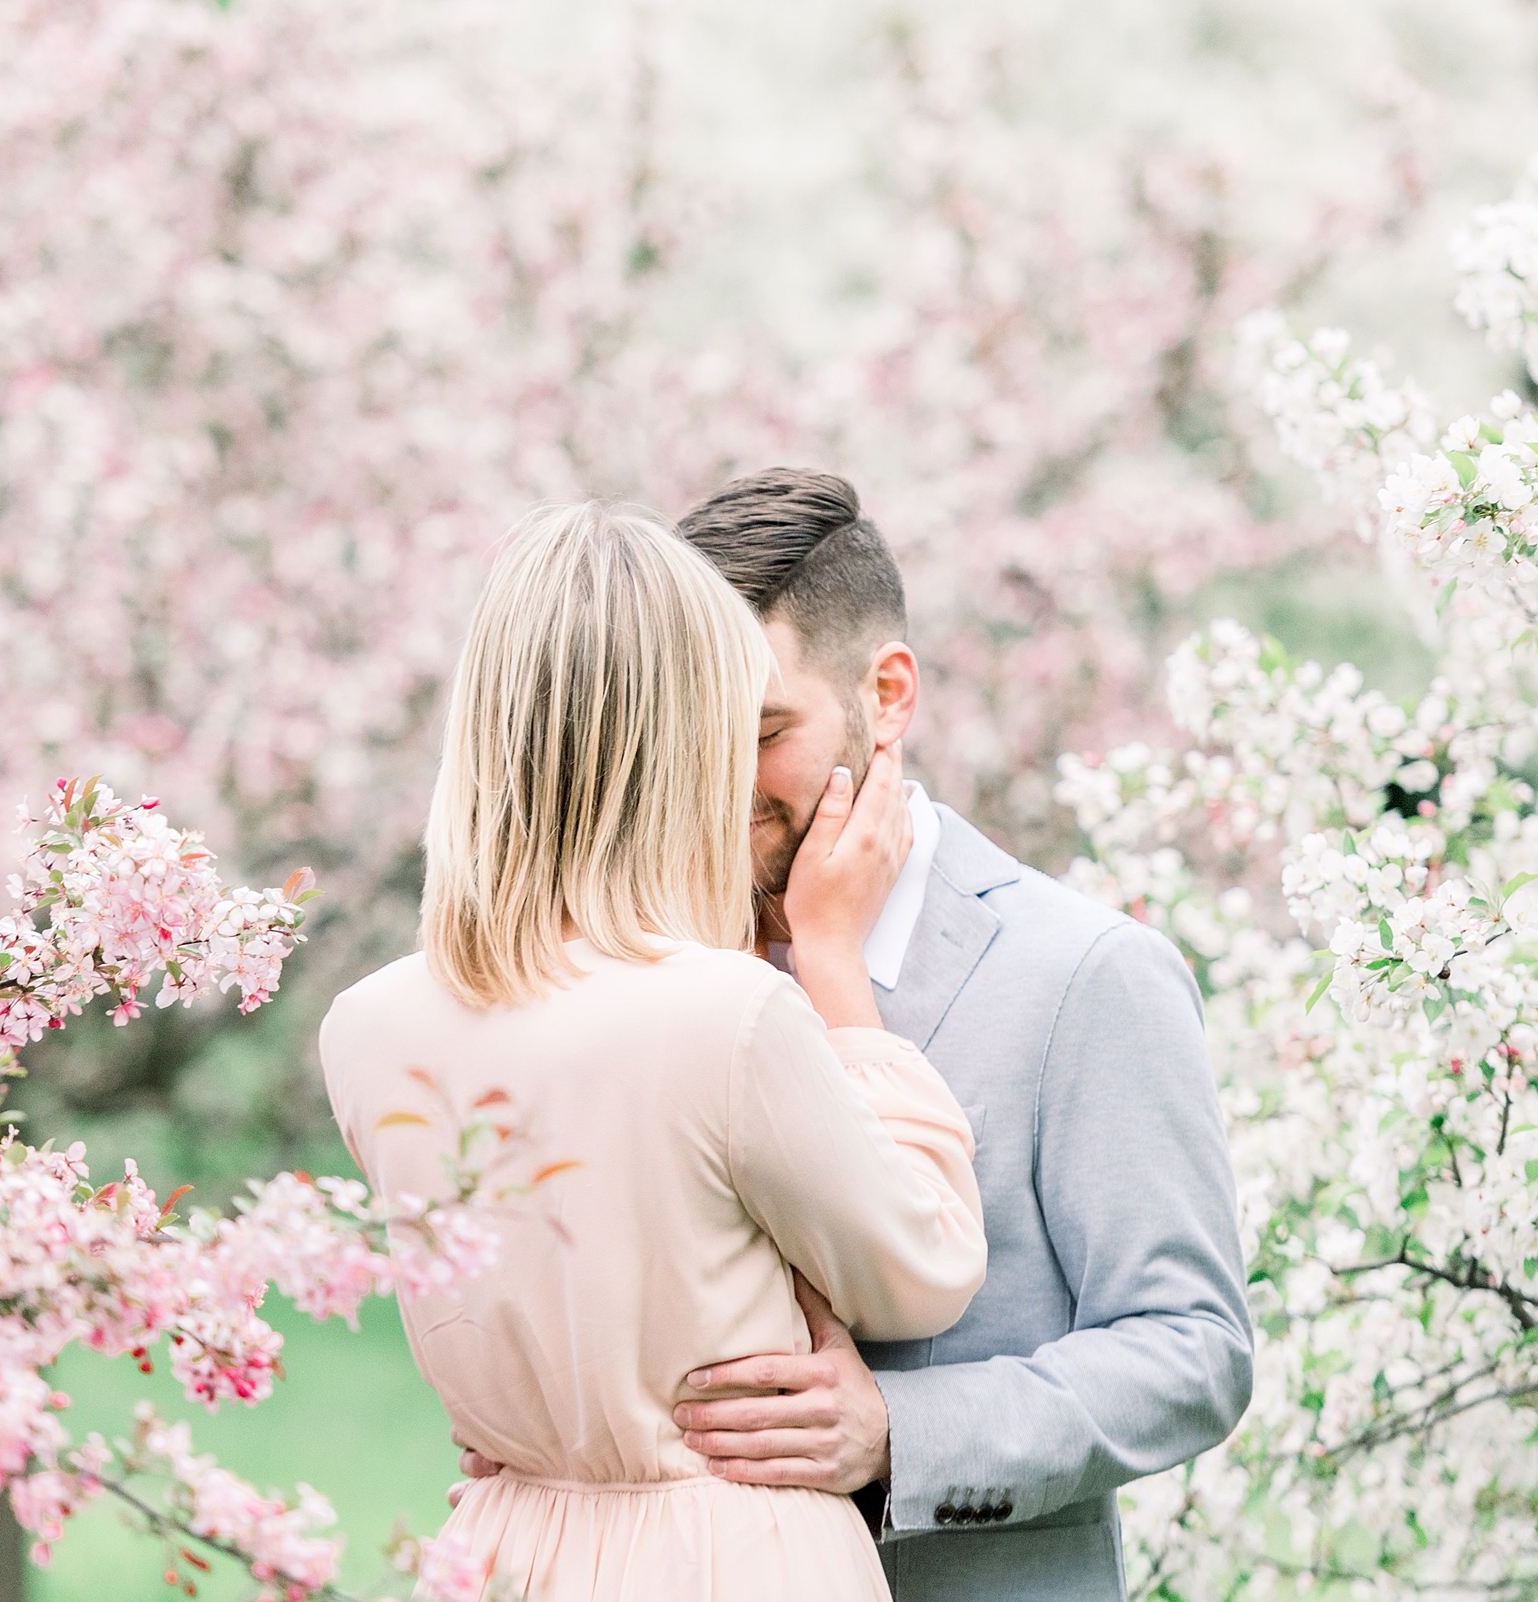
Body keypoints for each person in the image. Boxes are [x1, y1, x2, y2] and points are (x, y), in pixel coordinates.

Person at [457, 470, 1253, 1600]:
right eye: (685, 734)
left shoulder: (1084, 978)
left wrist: (897, 1436)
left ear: (887, 694)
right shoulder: (631, 975)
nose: (716, 778)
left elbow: (1192, 1351)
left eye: (765, 730)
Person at [321, 500, 988, 1602]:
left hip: (503, 1546)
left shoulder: (368, 1026)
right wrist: (832, 966)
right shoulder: (727, 1015)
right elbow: (917, 1269)